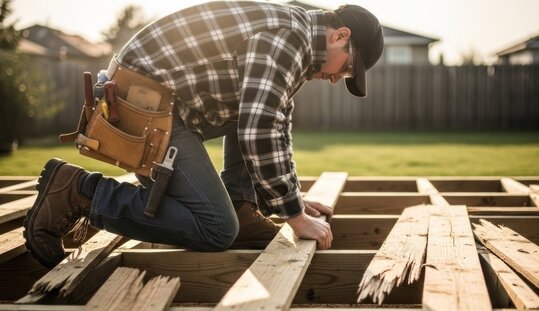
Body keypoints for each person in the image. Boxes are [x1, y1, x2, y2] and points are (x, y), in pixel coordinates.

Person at [24, 1, 384, 268]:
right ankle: (81, 192)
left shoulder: (298, 38)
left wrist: (290, 199)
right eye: (348, 67)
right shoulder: (289, 38)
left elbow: (273, 122)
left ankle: (242, 207)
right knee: (215, 229)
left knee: (258, 121)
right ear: (339, 36)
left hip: (160, 102)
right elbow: (258, 127)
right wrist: (294, 217)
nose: (339, 78)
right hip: (145, 105)